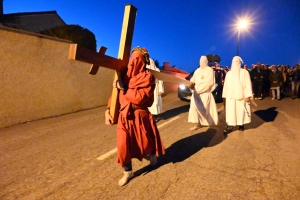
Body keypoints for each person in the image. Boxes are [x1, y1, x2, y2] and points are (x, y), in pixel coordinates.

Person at [104, 47, 165, 186]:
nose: (133, 62)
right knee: (123, 145)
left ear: (143, 62)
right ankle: (128, 172)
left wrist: (124, 88)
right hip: (124, 117)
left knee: (144, 144)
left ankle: (152, 155)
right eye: (132, 59)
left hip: (140, 116)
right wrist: (108, 110)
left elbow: (140, 98)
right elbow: (115, 94)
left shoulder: (148, 77)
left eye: (137, 59)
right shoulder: (123, 75)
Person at [222, 56, 252, 134]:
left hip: (242, 95)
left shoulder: (245, 72)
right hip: (230, 97)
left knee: (240, 111)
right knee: (231, 111)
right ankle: (230, 125)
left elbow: (248, 84)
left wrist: (248, 95)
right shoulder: (229, 73)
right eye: (234, 61)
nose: (235, 63)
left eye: (237, 61)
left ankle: (241, 124)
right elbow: (226, 85)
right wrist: (224, 95)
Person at [188, 55, 219, 130]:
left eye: (204, 61)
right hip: (196, 94)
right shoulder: (197, 71)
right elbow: (192, 79)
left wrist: (197, 89)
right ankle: (197, 124)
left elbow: (208, 83)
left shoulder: (209, 70)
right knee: (194, 108)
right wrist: (190, 84)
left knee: (205, 109)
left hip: (205, 93)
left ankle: (206, 123)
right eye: (201, 61)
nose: (202, 62)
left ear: (207, 62)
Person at [146, 58, 164, 122]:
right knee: (148, 104)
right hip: (147, 88)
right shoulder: (145, 69)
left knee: (155, 103)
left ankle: (155, 117)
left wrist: (160, 90)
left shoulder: (157, 70)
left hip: (155, 88)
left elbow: (160, 80)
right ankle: (149, 117)